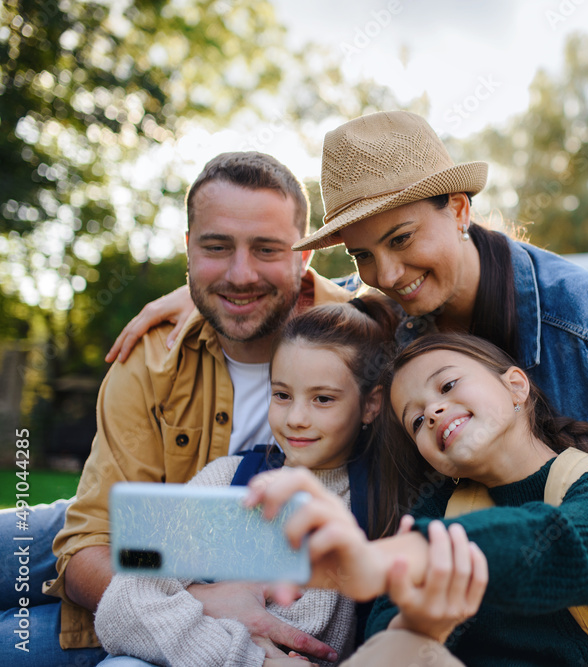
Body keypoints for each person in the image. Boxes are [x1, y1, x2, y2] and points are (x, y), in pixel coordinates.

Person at [109, 110, 588, 665]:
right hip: (404, 593)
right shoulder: (392, 343)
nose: (385, 273)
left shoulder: (584, 327)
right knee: (52, 548)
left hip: (574, 606)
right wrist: (217, 290)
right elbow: (329, 321)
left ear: (460, 209)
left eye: (402, 239)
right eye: (361, 256)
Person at [0, 152, 355, 667]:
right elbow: (87, 545)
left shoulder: (359, 342)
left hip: (158, 598)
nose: (240, 273)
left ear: (304, 258)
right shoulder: (151, 353)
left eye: (267, 249)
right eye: (216, 248)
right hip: (132, 558)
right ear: (188, 251)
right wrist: (195, 602)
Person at [94, 298, 486, 667]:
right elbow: (121, 606)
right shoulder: (231, 481)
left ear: (371, 404)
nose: (296, 417)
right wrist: (255, 661)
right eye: (282, 395)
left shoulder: (392, 501)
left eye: (323, 400)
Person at [246, 332, 588, 666]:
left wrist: (382, 561)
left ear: (516, 386)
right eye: (417, 420)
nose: (434, 412)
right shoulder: (437, 509)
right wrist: (420, 622)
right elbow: (385, 632)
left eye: (447, 385)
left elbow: (560, 544)